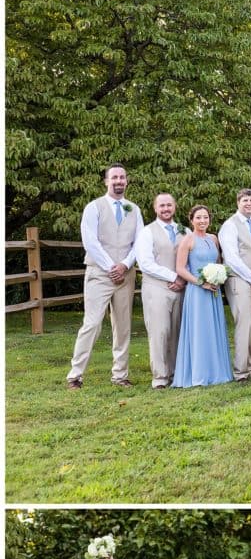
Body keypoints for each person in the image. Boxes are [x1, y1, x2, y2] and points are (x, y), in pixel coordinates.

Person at [67, 162, 144, 389]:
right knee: (91, 324)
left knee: (123, 325)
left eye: (122, 177)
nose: (119, 181)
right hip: (100, 273)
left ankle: (120, 375)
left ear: (126, 181)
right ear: (106, 181)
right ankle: (75, 375)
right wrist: (112, 266)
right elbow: (90, 241)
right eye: (114, 178)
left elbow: (139, 241)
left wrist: (125, 264)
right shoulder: (94, 207)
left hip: (125, 275)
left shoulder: (134, 209)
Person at [172, 205, 233, 387]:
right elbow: (180, 269)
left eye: (205, 217)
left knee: (213, 329)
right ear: (191, 220)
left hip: (214, 291)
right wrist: (201, 282)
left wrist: (218, 277)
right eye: (198, 218)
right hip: (197, 292)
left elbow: (218, 263)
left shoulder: (213, 239)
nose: (202, 221)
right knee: (200, 331)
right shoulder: (187, 240)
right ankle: (199, 373)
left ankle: (217, 371)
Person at [134, 193, 186, 388]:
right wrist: (174, 277)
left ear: (174, 207)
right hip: (157, 288)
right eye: (162, 205)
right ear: (155, 209)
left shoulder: (185, 230)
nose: (166, 209)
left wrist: (184, 280)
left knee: (178, 331)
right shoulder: (147, 232)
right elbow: (145, 263)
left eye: (169, 205)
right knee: (160, 331)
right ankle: (160, 377)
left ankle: (176, 373)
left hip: (182, 289)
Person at [219, 188, 251, 382]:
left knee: (248, 324)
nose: (249, 203)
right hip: (238, 279)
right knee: (243, 323)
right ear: (237, 202)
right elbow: (231, 257)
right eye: (245, 200)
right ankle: (240, 371)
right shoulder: (230, 225)